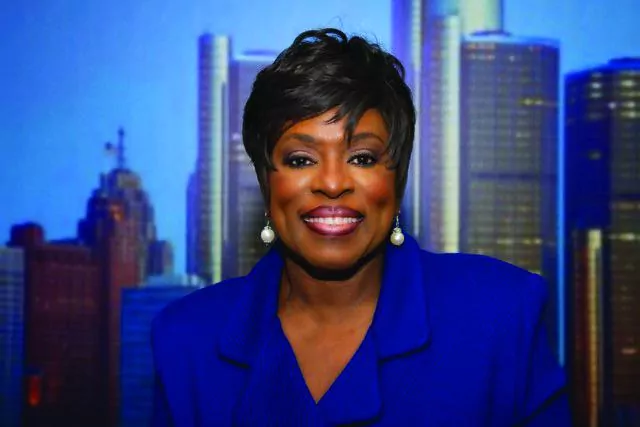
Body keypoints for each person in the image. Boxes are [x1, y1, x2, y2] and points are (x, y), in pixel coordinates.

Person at [150, 28, 572, 426]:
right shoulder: (186, 341)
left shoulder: (502, 316)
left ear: (398, 179)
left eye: (363, 158)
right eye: (301, 159)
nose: (333, 183)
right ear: (265, 180)